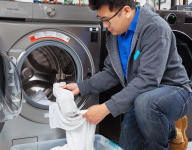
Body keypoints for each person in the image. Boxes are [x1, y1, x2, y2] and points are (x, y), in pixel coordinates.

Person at [60, 0, 192, 149]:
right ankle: (169, 127)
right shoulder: (116, 33)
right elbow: (112, 72)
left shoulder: (154, 27)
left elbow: (148, 80)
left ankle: (168, 134)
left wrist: (105, 109)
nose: (105, 25)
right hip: (142, 97)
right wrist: (81, 87)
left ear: (126, 11)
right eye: (101, 20)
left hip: (175, 91)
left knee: (146, 103)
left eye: (107, 20)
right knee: (127, 145)